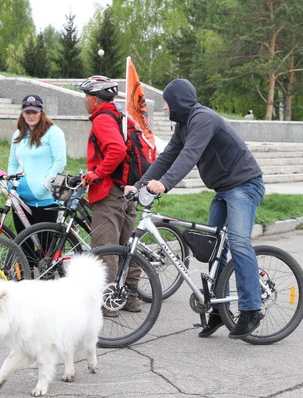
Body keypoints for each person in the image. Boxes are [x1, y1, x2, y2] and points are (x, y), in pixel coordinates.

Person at [128, 78, 265, 339]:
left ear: (177, 102)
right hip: (224, 189)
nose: (166, 110)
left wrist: (165, 184)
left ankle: (251, 309)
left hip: (245, 186)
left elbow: (189, 155)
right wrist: (139, 184)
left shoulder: (203, 119)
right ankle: (219, 311)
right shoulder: (184, 125)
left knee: (237, 242)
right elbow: (168, 156)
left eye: (168, 104)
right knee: (215, 249)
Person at [77, 75, 141, 314]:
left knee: (106, 246)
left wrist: (97, 174)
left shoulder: (103, 119)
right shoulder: (121, 116)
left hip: (110, 191)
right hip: (127, 188)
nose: (84, 100)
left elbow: (116, 149)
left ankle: (109, 301)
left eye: (86, 96)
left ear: (95, 99)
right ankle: (130, 295)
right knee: (126, 244)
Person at [7, 95, 67, 233]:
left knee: (46, 246)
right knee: (24, 246)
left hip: (44, 198)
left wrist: (46, 183)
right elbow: (13, 162)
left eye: (34, 112)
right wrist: (11, 182)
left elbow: (60, 161)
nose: (31, 116)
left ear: (41, 112)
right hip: (20, 198)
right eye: (27, 112)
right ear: (22, 113)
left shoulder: (53, 132)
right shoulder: (18, 134)